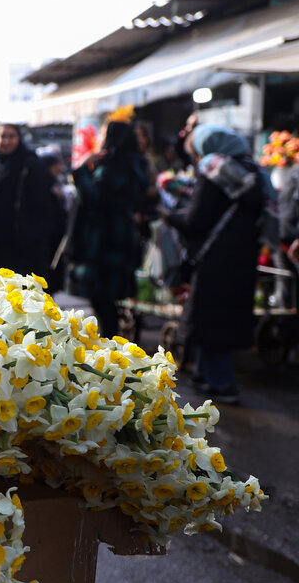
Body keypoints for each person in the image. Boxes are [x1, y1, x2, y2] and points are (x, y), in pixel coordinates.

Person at [162, 125, 266, 404]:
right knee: (222, 319)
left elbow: (196, 220)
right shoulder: (253, 171)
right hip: (243, 258)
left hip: (215, 259)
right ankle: (204, 375)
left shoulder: (213, 170)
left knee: (211, 320)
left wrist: (170, 217)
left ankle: (223, 383)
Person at [71, 121, 149, 338]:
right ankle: (112, 339)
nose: (100, 136)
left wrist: (81, 170)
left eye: (104, 132)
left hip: (107, 238)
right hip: (121, 235)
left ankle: (110, 341)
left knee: (103, 296)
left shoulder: (114, 166)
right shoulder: (134, 163)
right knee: (108, 297)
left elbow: (94, 198)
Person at [0, 123, 58, 282]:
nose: (6, 141)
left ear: (19, 138)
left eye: (11, 136)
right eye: (2, 136)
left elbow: (43, 206)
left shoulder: (31, 164)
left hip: (24, 246)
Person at [37, 144, 71, 293]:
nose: (59, 168)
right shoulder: (43, 186)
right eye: (56, 165)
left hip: (56, 236)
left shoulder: (55, 184)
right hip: (46, 238)